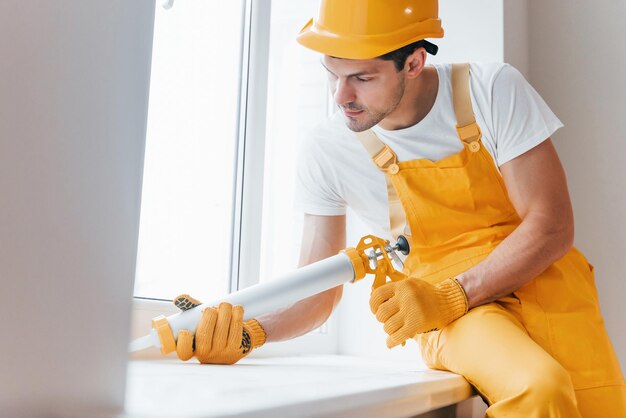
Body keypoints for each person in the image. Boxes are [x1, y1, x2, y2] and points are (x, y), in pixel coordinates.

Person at [171, 1, 626, 416]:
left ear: (413, 62)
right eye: (332, 73)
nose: (340, 97)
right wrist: (249, 331)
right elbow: (317, 289)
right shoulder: (328, 149)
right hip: (449, 313)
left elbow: (550, 225)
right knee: (539, 388)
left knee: (600, 407)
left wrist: (454, 291)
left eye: (362, 78)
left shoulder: (491, 90)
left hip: (547, 286)